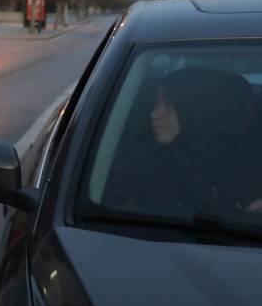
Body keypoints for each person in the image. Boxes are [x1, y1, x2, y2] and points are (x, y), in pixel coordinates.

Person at [105, 66, 261, 214]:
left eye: (168, 103)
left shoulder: (250, 165)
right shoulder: (137, 164)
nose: (155, 113)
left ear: (199, 110)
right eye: (155, 103)